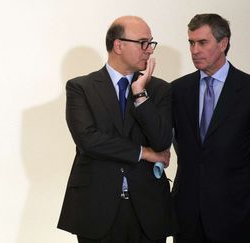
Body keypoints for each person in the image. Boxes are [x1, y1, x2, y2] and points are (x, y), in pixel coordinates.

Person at [57, 16, 175, 243]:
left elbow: (161, 142)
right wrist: (144, 153)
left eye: (151, 43)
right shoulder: (81, 87)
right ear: (118, 45)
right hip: (97, 208)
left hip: (148, 210)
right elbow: (88, 140)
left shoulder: (159, 89)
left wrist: (140, 93)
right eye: (142, 42)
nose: (149, 50)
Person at [172, 13, 250, 243]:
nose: (194, 50)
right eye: (191, 42)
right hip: (187, 216)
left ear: (223, 43)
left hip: (234, 215)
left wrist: (246, 192)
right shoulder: (178, 90)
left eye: (202, 42)